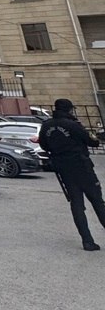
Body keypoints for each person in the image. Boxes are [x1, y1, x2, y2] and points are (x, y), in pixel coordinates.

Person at [38, 99, 105, 251]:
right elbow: (92, 142)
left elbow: (43, 144)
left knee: (77, 205)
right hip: (82, 167)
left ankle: (87, 241)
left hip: (63, 169)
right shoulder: (73, 125)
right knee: (97, 201)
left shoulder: (46, 125)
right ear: (69, 110)